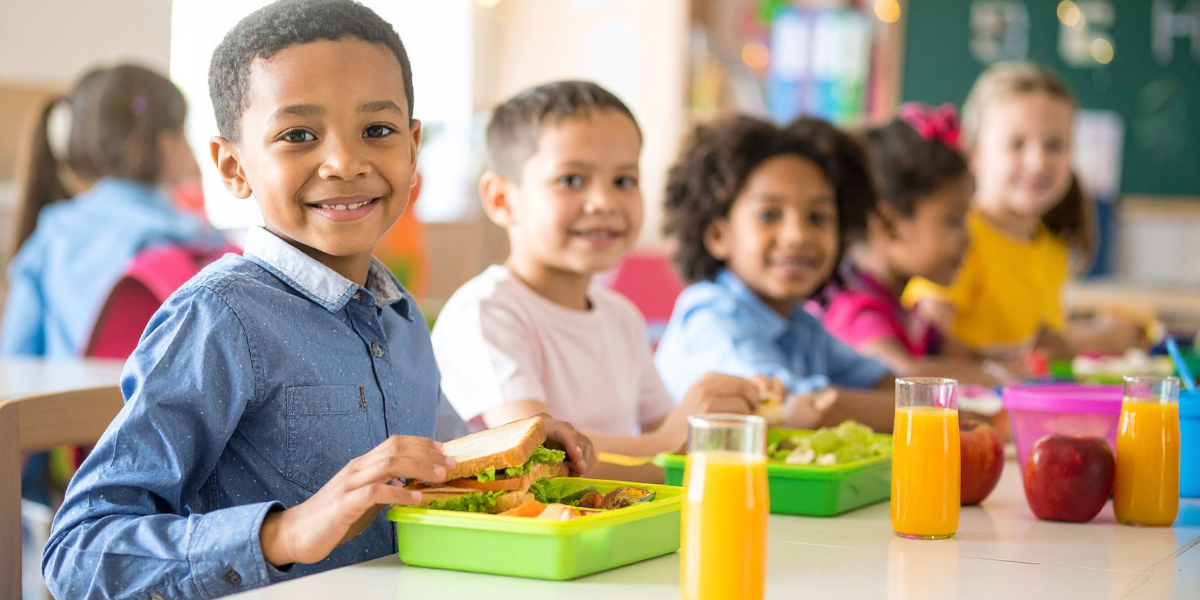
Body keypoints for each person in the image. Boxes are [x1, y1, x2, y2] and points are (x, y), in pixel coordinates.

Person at [42, 2, 593, 597]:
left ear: (412, 149)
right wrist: (285, 532)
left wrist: (519, 452)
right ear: (233, 168)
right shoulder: (218, 319)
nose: (345, 162)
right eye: (298, 135)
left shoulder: (399, 314)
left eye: (377, 131)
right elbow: (77, 551)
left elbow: (441, 465)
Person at [432, 81, 788, 483]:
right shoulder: (486, 312)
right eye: (571, 180)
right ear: (502, 199)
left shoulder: (621, 316)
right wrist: (673, 438)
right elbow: (535, 458)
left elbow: (667, 440)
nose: (604, 201)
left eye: (623, 181)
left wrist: (725, 417)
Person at [655, 115, 895, 433]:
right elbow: (792, 409)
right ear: (718, 236)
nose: (797, 235)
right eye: (769, 215)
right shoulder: (710, 316)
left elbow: (880, 379)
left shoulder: (801, 324)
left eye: (818, 217)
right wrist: (933, 414)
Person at [903, 62, 1144, 361]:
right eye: (1017, 144)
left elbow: (1038, 344)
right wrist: (1085, 341)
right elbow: (928, 352)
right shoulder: (956, 237)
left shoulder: (1054, 249)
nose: (1038, 162)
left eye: (1055, 145)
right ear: (974, 153)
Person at [2, 64, 225, 359]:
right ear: (166, 142)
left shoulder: (53, 230)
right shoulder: (192, 240)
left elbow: (15, 357)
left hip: (64, 405)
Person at [822, 103, 1001, 386]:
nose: (969, 238)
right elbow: (905, 378)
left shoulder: (906, 311)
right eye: (953, 221)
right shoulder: (857, 312)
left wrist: (1021, 360)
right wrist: (1006, 377)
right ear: (889, 225)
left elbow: (967, 356)